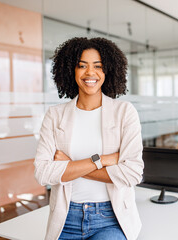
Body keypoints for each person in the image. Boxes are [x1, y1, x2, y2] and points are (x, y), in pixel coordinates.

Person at [34, 37, 144, 240]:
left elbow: (132, 174)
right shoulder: (55, 115)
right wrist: (101, 160)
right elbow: (42, 173)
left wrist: (69, 167)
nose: (90, 73)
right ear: (70, 71)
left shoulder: (124, 112)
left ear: (108, 71)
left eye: (98, 66)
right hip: (65, 218)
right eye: (82, 66)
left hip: (111, 219)